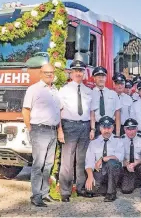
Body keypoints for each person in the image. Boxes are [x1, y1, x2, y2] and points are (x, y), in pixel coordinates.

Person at [23, 64, 62, 207]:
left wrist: (58, 130)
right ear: (40, 74)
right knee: (38, 164)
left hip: (52, 130)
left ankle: (45, 193)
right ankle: (36, 195)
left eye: (51, 73)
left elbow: (58, 111)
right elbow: (25, 110)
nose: (49, 75)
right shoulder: (34, 89)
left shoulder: (55, 90)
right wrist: (30, 128)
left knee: (48, 165)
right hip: (39, 130)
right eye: (46, 73)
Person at [58, 60, 92, 202]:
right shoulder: (64, 90)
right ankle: (65, 191)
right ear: (70, 73)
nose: (78, 73)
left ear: (84, 73)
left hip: (85, 126)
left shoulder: (89, 91)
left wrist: (93, 128)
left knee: (82, 159)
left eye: (81, 71)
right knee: (67, 160)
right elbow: (58, 111)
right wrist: (60, 130)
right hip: (69, 126)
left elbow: (92, 113)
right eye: (76, 71)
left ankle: (80, 188)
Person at [85, 116, 124, 202]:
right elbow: (89, 162)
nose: (106, 130)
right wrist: (90, 177)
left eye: (109, 127)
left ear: (113, 128)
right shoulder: (94, 142)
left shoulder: (118, 141)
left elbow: (119, 157)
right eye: (104, 128)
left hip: (113, 171)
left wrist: (103, 159)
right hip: (99, 172)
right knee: (89, 190)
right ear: (100, 128)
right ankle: (108, 187)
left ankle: (111, 193)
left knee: (112, 163)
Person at [90, 66, 121, 138]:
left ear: (106, 78)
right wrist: (93, 129)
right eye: (98, 77)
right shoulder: (90, 93)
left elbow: (118, 114)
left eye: (103, 76)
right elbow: (92, 113)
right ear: (94, 78)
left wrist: (118, 133)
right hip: (97, 127)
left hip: (111, 127)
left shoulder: (113, 94)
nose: (101, 79)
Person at [120, 118, 141, 194]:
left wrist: (135, 163)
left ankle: (138, 181)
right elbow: (119, 157)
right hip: (127, 165)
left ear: (137, 129)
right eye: (128, 129)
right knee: (126, 190)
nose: (131, 132)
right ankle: (132, 180)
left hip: (138, 164)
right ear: (124, 129)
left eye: (133, 129)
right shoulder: (121, 139)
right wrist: (127, 164)